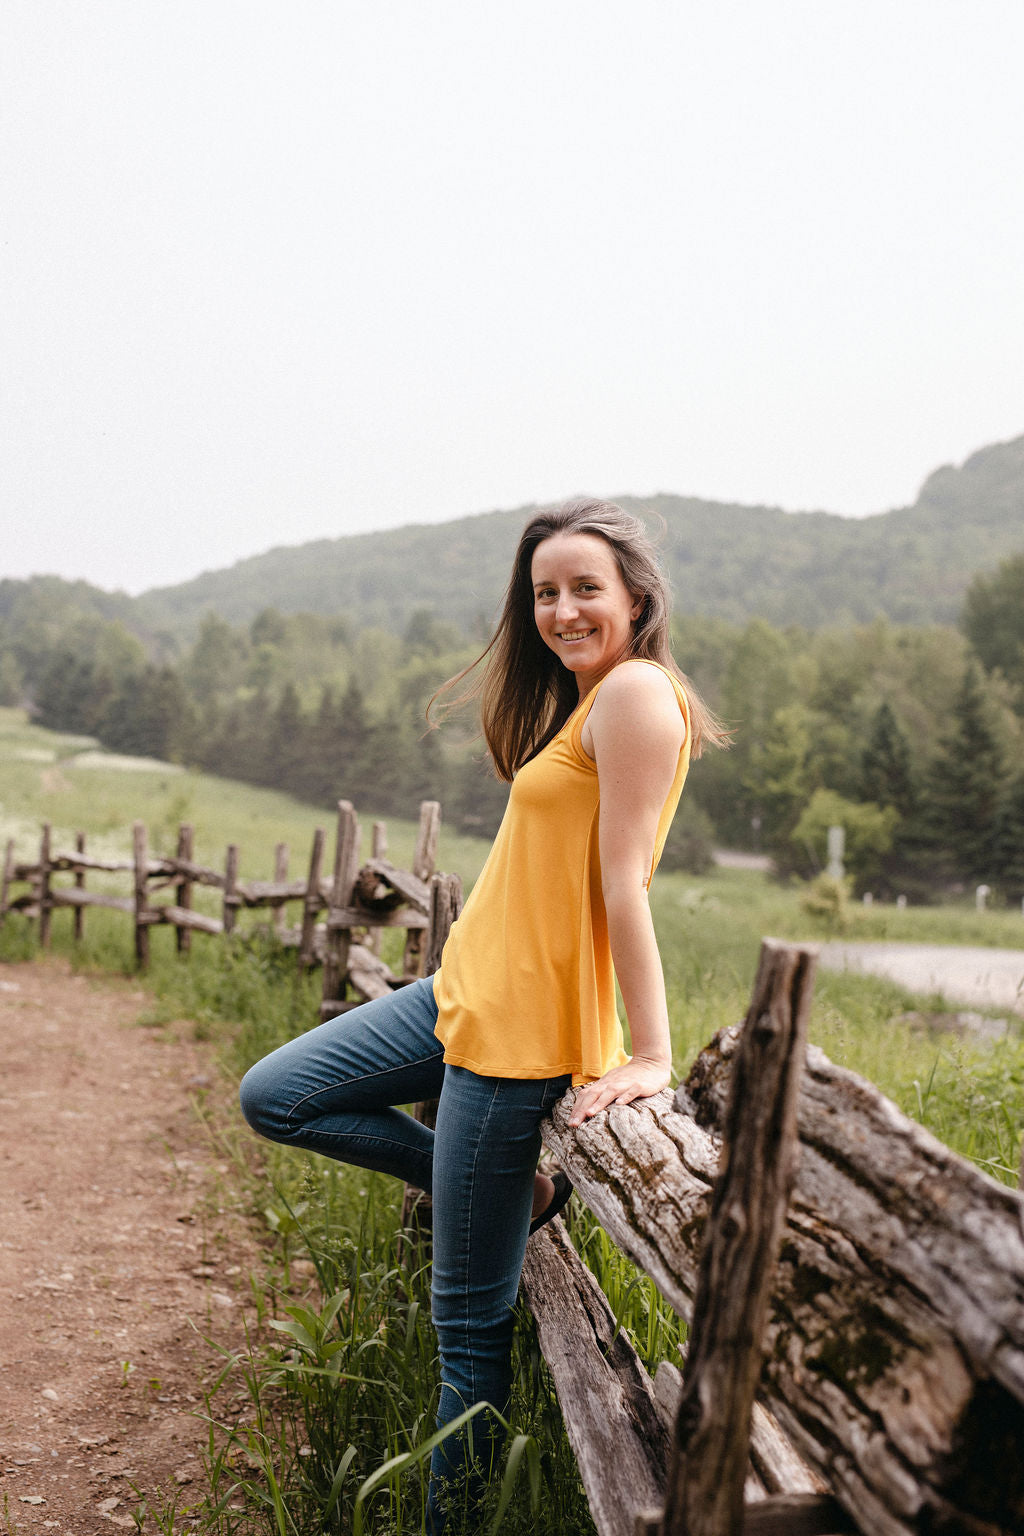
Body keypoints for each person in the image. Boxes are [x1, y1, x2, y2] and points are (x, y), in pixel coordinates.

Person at [239, 497, 728, 1530]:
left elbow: (624, 884)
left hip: (520, 1037)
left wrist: (650, 1052)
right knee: (276, 1093)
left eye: (584, 588)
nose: (561, 610)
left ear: (636, 597)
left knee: (466, 1334)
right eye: (544, 592)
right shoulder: (582, 698)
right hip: (461, 993)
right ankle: (523, 1190)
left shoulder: (637, 694)